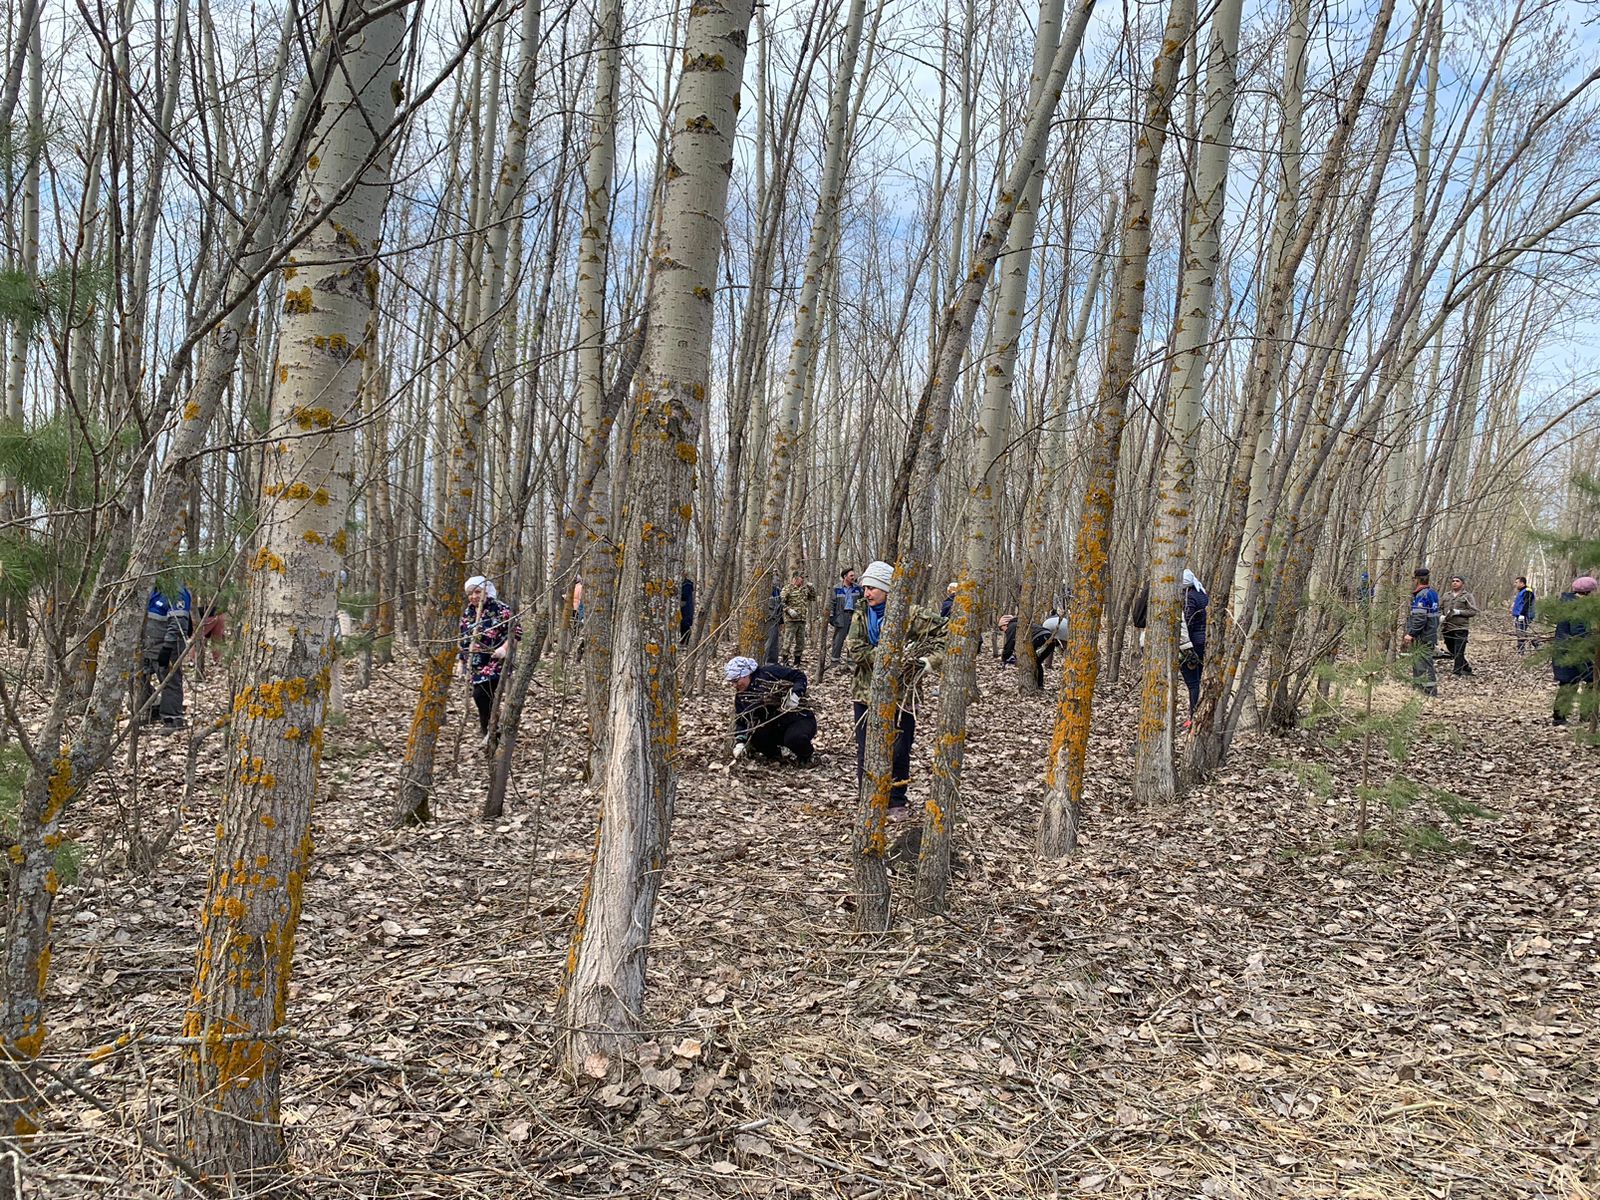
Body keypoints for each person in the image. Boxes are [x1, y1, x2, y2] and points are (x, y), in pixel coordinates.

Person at [842, 559, 947, 823]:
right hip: (865, 693)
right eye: (865, 588)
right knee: (866, 748)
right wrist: (894, 657)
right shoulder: (861, 613)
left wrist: (925, 663)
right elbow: (854, 649)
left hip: (904, 696)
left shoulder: (912, 615)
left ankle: (897, 801)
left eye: (873, 589)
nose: (867, 593)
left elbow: (948, 635)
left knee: (900, 749)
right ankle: (868, 799)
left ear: (889, 589)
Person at [458, 575, 521, 745]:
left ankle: (490, 730)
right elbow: (464, 638)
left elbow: (516, 632)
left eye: (478, 592)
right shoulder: (468, 612)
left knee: (484, 694)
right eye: (470, 593)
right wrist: (461, 661)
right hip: (476, 663)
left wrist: (504, 649)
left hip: (496, 661)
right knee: (481, 698)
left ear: (487, 591)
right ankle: (490, 730)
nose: (474, 597)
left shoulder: (502, 609)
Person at [724, 656, 816, 763]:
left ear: (746, 674)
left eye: (736, 680)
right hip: (774, 727)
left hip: (799, 719)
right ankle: (776, 756)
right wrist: (740, 742)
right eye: (732, 682)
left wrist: (795, 694)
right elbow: (742, 720)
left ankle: (806, 756)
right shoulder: (741, 697)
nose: (735, 685)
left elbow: (799, 676)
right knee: (756, 736)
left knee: (794, 738)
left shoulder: (769, 673)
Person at [138, 585, 193, 731]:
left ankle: (172, 719)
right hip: (146, 646)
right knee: (136, 677)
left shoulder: (177, 592)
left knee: (169, 680)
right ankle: (153, 705)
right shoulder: (149, 589)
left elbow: (178, 623)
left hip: (168, 646)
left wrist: (167, 647)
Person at [1552, 575, 1596, 726]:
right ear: (1587, 593)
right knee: (1573, 684)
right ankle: (1562, 718)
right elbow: (1579, 632)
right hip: (1573, 652)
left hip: (1567, 650)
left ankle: (1584, 716)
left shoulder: (1568, 602)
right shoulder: (1577, 607)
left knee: (1580, 682)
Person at [1401, 567, 1440, 697]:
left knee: (1422, 662)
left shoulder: (1422, 595)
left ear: (1417, 579)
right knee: (1423, 662)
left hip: (1423, 635)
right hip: (1430, 633)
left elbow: (1419, 618)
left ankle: (1427, 691)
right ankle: (1422, 689)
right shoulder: (1433, 593)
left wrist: (1411, 633)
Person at [1441, 575, 1480, 676]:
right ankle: (1465, 666)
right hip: (1447, 627)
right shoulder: (1446, 595)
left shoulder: (1467, 596)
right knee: (1452, 650)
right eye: (1453, 581)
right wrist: (1440, 616)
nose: (1454, 583)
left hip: (1461, 627)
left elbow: (1473, 611)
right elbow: (1439, 608)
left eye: (1457, 581)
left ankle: (1457, 672)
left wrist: (1459, 612)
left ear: (1462, 584)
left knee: (1459, 650)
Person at [828, 567, 863, 665]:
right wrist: (831, 616)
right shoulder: (837, 588)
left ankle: (850, 661)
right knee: (838, 639)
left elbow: (863, 601)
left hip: (854, 616)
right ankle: (835, 661)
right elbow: (832, 603)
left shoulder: (858, 588)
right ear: (845, 577)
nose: (853, 577)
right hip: (841, 615)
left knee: (853, 639)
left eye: (853, 575)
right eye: (851, 575)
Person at [779, 572, 815, 665]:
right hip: (791, 620)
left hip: (802, 619)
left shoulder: (804, 589)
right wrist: (789, 610)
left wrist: (811, 588)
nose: (802, 580)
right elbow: (780, 602)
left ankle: (797, 661)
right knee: (788, 640)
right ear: (795, 578)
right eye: (801, 578)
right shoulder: (787, 588)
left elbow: (813, 598)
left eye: (803, 578)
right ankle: (785, 660)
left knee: (800, 642)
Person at [1512, 575, 1536, 655]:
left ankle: (1536, 644)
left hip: (1525, 616)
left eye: (1516, 582)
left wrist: (1522, 614)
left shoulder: (1527, 591)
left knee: (1521, 633)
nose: (1515, 584)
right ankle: (1521, 650)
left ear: (1522, 583)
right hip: (1519, 616)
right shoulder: (1522, 591)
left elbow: (1527, 603)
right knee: (1520, 633)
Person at [763, 584, 782, 664]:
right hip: (767, 620)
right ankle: (766, 662)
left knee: (774, 642)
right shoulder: (764, 589)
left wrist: (781, 622)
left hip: (776, 620)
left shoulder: (778, 590)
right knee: (768, 643)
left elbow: (781, 607)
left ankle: (773, 662)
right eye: (774, 573)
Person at [679, 577, 695, 645]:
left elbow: (684, 598)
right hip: (686, 611)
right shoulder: (687, 585)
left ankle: (684, 642)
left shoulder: (686, 586)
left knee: (685, 625)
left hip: (686, 612)